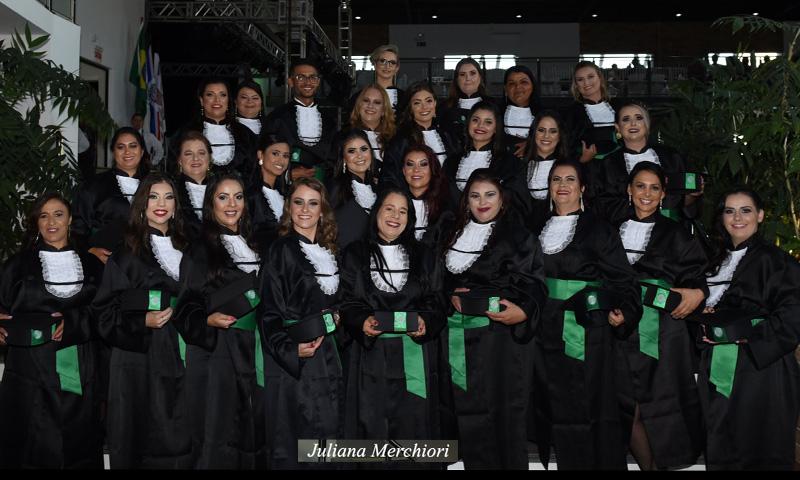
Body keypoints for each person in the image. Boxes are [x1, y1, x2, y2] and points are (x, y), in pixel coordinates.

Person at [537, 159, 641, 470]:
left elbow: (624, 280)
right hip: (545, 330)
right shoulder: (535, 229)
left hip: (588, 330)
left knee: (593, 405)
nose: (563, 185)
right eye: (556, 179)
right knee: (555, 403)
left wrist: (625, 311)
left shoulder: (599, 229)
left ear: (582, 187)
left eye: (570, 179)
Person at [443, 169, 547, 469]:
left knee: (504, 413)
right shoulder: (450, 234)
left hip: (501, 340)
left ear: (502, 200)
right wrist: (449, 293)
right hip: (458, 336)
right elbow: (433, 279)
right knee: (468, 413)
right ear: (466, 202)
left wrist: (524, 310)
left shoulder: (519, 236)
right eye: (474, 196)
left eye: (490, 194)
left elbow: (535, 284)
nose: (482, 202)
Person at [339, 187, 447, 466]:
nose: (395, 216)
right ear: (377, 212)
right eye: (389, 208)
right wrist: (361, 321)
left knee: (413, 429)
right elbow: (346, 300)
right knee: (371, 426)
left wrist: (426, 321)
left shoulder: (425, 255)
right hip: (368, 358)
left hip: (413, 356)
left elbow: (437, 300)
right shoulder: (353, 253)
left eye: (403, 211)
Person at [694, 188, 800, 470]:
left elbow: (792, 317)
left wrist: (744, 335)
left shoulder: (779, 262)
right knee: (721, 442)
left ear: (761, 215)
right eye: (730, 210)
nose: (737, 218)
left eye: (746, 210)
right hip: (718, 365)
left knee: (760, 447)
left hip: (762, 370)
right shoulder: (714, 261)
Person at [92, 173, 192, 468]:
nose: (161, 204)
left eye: (168, 197)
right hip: (140, 359)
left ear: (176, 206)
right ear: (142, 203)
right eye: (153, 197)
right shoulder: (126, 253)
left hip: (183, 352)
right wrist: (142, 322)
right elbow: (103, 312)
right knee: (142, 436)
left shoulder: (189, 250)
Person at [614, 162, 706, 470]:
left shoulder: (678, 234)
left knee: (663, 406)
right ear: (629, 189)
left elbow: (697, 278)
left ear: (664, 194)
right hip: (619, 328)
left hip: (664, 332)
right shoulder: (609, 228)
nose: (647, 194)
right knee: (626, 408)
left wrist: (696, 293)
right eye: (640, 186)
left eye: (654, 188)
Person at [0, 193, 102, 468]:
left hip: (79, 363)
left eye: (58, 214)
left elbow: (107, 313)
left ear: (70, 220)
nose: (51, 221)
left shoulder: (93, 265)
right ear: (37, 223)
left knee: (76, 441)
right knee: (31, 442)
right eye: (43, 216)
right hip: (29, 367)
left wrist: (74, 322)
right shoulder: (16, 265)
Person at [175, 172, 265, 469]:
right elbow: (186, 306)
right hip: (219, 353)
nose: (232, 204)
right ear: (210, 203)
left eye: (238, 197)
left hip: (255, 349)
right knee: (218, 433)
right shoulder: (200, 249)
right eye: (223, 197)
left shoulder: (255, 243)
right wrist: (208, 320)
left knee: (252, 432)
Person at [260, 177, 345, 469]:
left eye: (313, 203)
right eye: (298, 202)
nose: (305, 210)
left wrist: (337, 314)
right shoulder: (280, 250)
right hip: (298, 361)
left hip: (329, 357)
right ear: (289, 208)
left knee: (328, 437)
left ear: (322, 210)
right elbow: (269, 311)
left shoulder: (330, 252)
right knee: (300, 441)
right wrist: (291, 350)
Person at [596, 101, 701, 227]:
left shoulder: (672, 157)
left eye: (639, 118)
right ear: (618, 127)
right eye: (626, 119)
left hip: (671, 231)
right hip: (623, 231)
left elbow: (685, 206)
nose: (633, 123)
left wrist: (692, 195)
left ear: (647, 124)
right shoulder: (609, 164)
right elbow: (604, 206)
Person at [72, 126, 151, 266]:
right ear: (113, 152)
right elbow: (78, 228)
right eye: (121, 147)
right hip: (107, 264)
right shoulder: (94, 186)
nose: (127, 151)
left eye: (133, 146)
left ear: (142, 151)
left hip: (145, 263)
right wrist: (90, 250)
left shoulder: (154, 185)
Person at [443, 101, 526, 210]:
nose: (480, 125)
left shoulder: (510, 163)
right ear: (468, 124)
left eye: (488, 122)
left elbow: (518, 203)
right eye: (475, 120)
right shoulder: (451, 162)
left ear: (496, 128)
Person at [264, 58, 337, 180]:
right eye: (301, 77)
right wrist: (287, 175)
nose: (308, 82)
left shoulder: (329, 120)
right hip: (286, 189)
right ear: (290, 81)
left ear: (318, 82)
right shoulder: (277, 116)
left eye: (312, 77)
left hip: (321, 187)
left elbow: (334, 158)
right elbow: (266, 156)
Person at [382, 81, 461, 186]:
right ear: (410, 108)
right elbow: (391, 177)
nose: (424, 107)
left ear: (435, 103)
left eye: (428, 101)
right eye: (417, 103)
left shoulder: (448, 137)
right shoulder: (400, 140)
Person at [173, 78, 254, 178]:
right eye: (210, 95)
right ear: (202, 100)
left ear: (228, 100)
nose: (217, 100)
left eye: (222, 95)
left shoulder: (245, 134)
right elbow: (174, 169)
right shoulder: (186, 133)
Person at [563, 61, 619, 206]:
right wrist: (581, 159)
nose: (586, 82)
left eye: (590, 77)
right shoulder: (571, 113)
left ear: (599, 78)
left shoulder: (619, 107)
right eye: (580, 80)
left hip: (619, 171)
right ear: (576, 85)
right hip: (591, 175)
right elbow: (565, 145)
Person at [329, 129, 379, 250]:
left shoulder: (378, 189)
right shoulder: (336, 188)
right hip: (345, 261)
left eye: (364, 149)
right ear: (344, 158)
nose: (359, 156)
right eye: (351, 151)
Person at [399, 144, 456, 249]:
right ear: (403, 170)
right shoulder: (395, 203)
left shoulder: (447, 207)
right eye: (410, 164)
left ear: (432, 169)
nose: (416, 170)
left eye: (423, 164)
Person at [520, 111, 570, 229]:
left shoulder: (570, 168)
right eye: (541, 130)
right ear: (534, 133)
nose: (546, 136)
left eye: (553, 131)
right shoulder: (519, 167)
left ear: (560, 135)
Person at [247, 132, 291, 247]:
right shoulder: (250, 194)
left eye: (285, 156)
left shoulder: (288, 194)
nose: (281, 160)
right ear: (260, 155)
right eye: (275, 153)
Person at [173, 130, 212, 239]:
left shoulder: (222, 189)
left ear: (209, 158)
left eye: (201, 153)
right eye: (188, 154)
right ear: (180, 160)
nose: (195, 158)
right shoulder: (171, 191)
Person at [346, 84, 396, 166]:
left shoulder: (395, 138)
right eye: (366, 100)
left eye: (377, 102)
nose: (370, 106)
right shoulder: (344, 136)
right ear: (359, 105)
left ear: (384, 110)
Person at [501, 65, 540, 159]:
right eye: (511, 83)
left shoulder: (546, 115)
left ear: (533, 86)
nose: (518, 87)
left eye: (524, 82)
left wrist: (533, 144)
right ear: (505, 89)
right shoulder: (495, 114)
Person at [442, 57, 491, 131]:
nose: (468, 78)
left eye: (472, 73)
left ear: (480, 77)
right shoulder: (444, 108)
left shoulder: (493, 105)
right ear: (457, 80)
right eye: (462, 74)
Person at [370, 44, 405, 113]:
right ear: (375, 64)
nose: (387, 66)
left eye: (392, 62)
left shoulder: (405, 98)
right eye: (383, 61)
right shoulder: (362, 96)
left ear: (397, 68)